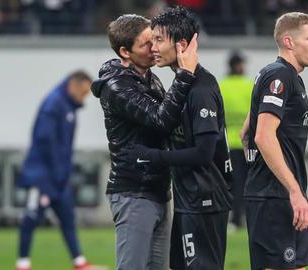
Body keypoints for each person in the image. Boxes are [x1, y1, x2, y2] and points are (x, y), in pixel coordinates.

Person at [123, 7, 233, 269]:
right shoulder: (182, 84)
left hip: (205, 200)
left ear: (181, 45)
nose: (153, 48)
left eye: (159, 40)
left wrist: (151, 157)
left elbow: (204, 153)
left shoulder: (201, 89)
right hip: (189, 200)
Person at [90, 14, 198, 270]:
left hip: (158, 190)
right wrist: (185, 75)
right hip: (134, 192)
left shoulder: (151, 78)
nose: (154, 48)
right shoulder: (117, 86)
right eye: (145, 44)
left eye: (155, 40)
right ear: (125, 52)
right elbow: (161, 120)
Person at [242, 12, 308, 270]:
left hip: (279, 195)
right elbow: (262, 136)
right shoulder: (280, 77)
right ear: (288, 42)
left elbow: (246, 132)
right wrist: (294, 190)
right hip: (275, 197)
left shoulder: (290, 78)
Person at [16, 71, 97, 270]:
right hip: (43, 176)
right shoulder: (54, 105)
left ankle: (79, 262)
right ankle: (22, 264)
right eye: (84, 92)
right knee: (31, 218)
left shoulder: (67, 107)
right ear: (74, 86)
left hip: (59, 176)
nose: (85, 97)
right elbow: (45, 141)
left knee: (67, 218)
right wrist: (52, 172)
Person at [219, 50, 254, 230]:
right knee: (250, 184)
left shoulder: (221, 86)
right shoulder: (249, 86)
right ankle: (250, 218)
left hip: (228, 144)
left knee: (234, 184)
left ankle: (234, 220)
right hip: (248, 143)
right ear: (239, 65)